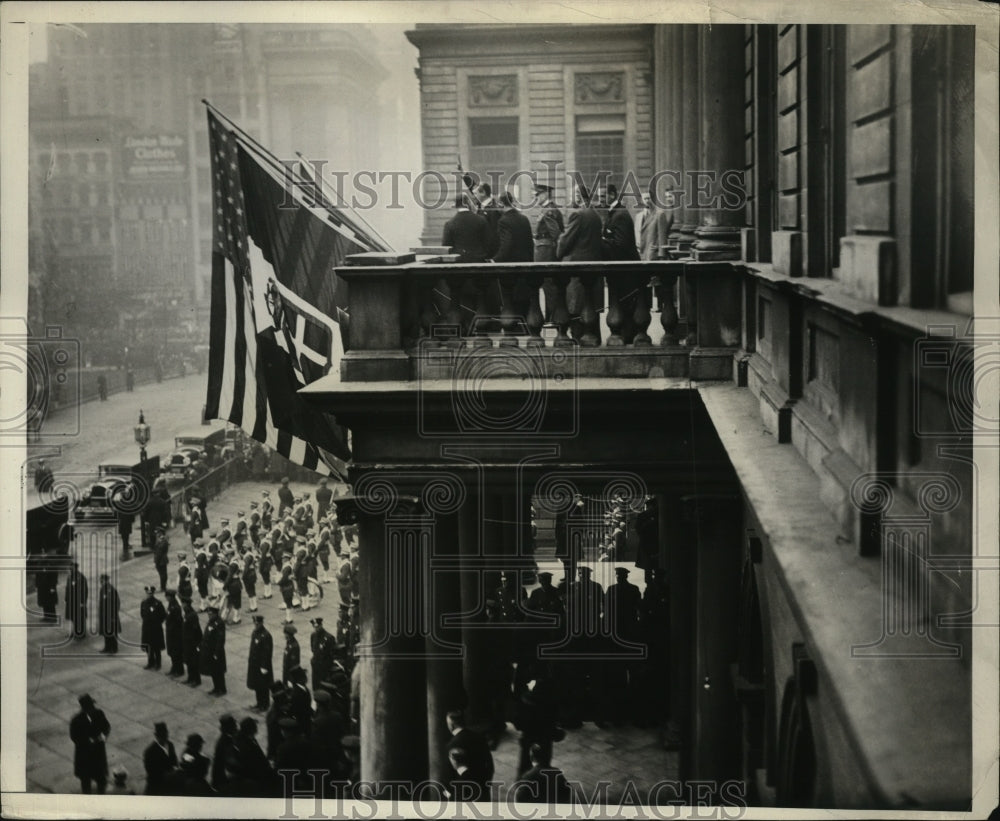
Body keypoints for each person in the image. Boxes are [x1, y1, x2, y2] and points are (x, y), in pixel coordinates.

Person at [444, 710, 494, 798]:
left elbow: (452, 773)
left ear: (451, 724)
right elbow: (489, 764)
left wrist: (449, 793)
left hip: (464, 793)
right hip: (482, 788)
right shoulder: (479, 737)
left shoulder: (452, 744)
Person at [69, 694, 110, 794]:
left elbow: (106, 727)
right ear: (84, 707)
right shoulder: (76, 720)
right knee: (86, 782)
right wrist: (88, 741)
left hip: (98, 753)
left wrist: (102, 737)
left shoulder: (99, 714)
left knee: (101, 780)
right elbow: (74, 737)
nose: (93, 708)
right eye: (90, 706)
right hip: (85, 755)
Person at [442, 194, 491, 263]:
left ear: (455, 205)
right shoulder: (481, 220)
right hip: (478, 261)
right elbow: (488, 242)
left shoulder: (449, 224)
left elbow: (446, 246)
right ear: (468, 202)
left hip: (459, 262)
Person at [247, 614, 274, 712]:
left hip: (262, 666)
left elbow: (267, 652)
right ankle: (259, 703)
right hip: (255, 665)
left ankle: (264, 704)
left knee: (263, 686)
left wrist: (264, 666)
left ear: (262, 623)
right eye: (254, 623)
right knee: (257, 685)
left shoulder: (266, 635)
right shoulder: (255, 633)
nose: (256, 625)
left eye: (257, 624)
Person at [142, 722, 177, 795]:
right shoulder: (150, 752)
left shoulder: (170, 745)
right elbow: (151, 771)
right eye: (162, 736)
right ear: (156, 736)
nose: (164, 739)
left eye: (165, 735)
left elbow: (174, 761)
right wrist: (166, 774)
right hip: (156, 785)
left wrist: (174, 769)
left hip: (169, 783)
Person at [533, 180, 564, 262]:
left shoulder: (548, 211)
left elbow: (556, 233)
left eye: (537, 194)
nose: (535, 197)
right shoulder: (547, 209)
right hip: (544, 247)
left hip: (546, 250)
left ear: (546, 194)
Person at [201, 605, 228, 695]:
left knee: (218, 672)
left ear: (215, 614)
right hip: (209, 651)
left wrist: (216, 653)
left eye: (211, 614)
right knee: (213, 671)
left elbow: (220, 640)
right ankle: (216, 688)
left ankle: (222, 689)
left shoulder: (219, 623)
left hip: (216, 652)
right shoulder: (211, 622)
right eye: (208, 614)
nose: (209, 615)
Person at [140, 585, 166, 670]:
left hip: (156, 629)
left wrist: (157, 623)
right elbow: (142, 615)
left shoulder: (158, 603)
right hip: (147, 629)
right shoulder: (143, 603)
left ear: (153, 593)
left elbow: (163, 615)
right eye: (148, 593)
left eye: (150, 593)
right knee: (148, 647)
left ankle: (158, 664)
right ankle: (150, 662)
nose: (149, 595)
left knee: (156, 648)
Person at [474, 181, 502, 257]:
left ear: (483, 193)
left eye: (476, 194)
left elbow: (494, 232)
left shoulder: (493, 209)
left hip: (489, 251)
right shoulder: (483, 206)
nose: (474, 196)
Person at [211, 714, 239, 791]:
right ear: (229, 728)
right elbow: (230, 762)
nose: (236, 727)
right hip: (223, 779)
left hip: (220, 776)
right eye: (234, 725)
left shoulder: (226, 738)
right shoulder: (224, 742)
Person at [310, 617, 336, 692]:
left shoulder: (329, 638)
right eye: (314, 627)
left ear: (321, 625)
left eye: (317, 626)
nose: (316, 629)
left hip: (324, 667)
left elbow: (332, 653)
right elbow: (313, 649)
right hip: (316, 666)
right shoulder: (313, 635)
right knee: (315, 686)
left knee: (324, 687)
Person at [64, 560, 88, 640]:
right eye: (70, 567)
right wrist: (66, 598)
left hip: (78, 602)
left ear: (76, 568)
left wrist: (82, 602)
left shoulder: (81, 577)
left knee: (79, 618)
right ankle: (75, 632)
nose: (70, 569)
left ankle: (81, 634)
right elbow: (67, 588)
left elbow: (85, 591)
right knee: (73, 618)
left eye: (72, 567)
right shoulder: (70, 577)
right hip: (71, 602)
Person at [97, 573, 120, 654]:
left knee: (112, 633)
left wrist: (113, 616)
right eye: (101, 580)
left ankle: (114, 648)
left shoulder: (111, 590)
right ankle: (107, 647)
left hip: (111, 616)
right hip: (104, 616)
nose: (101, 581)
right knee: (105, 633)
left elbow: (116, 603)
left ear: (106, 580)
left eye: (102, 580)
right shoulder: (102, 589)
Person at [182, 600, 203, 687]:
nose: (182, 605)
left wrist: (194, 642)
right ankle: (190, 678)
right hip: (187, 642)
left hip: (193, 642)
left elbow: (195, 630)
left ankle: (197, 680)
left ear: (187, 604)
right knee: (188, 661)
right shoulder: (187, 613)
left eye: (183, 604)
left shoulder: (192, 615)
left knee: (194, 662)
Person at [164, 590, 185, 677]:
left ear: (170, 597)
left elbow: (178, 621)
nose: (166, 598)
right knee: (172, 651)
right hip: (170, 633)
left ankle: (179, 670)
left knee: (176, 652)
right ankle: (174, 668)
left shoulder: (176, 607)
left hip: (175, 634)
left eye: (167, 596)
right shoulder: (171, 604)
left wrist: (173, 629)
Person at [153, 528, 170, 593]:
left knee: (162, 574)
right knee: (162, 574)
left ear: (160, 533)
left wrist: (156, 561)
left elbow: (159, 552)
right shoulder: (160, 540)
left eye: (157, 533)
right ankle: (163, 586)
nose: (156, 534)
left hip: (161, 560)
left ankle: (163, 587)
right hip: (161, 560)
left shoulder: (162, 541)